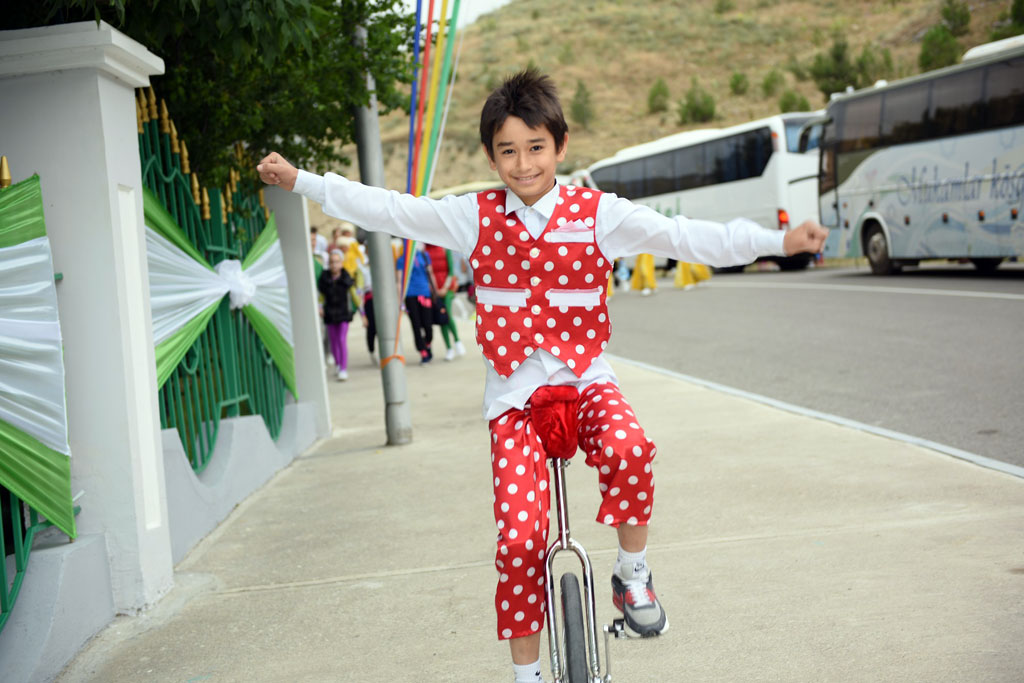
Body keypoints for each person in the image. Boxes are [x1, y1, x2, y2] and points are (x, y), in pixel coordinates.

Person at [258, 68, 827, 683]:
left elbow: (685, 236)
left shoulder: (598, 215)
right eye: (508, 151)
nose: (524, 165)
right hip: (514, 400)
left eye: (536, 148)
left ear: (559, 145)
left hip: (585, 381)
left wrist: (778, 239)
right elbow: (389, 209)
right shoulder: (472, 218)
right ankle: (525, 676)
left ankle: (631, 576)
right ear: (490, 154)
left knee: (631, 450)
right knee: (521, 543)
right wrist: (303, 182)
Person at [395, 242, 437, 364]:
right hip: (410, 295)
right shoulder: (401, 260)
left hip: (425, 293)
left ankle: (427, 342)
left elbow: (431, 273)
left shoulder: (424, 255)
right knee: (416, 324)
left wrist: (435, 290)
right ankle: (422, 351)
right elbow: (399, 281)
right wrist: (400, 301)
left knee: (428, 325)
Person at [425, 243, 467, 361]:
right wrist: (435, 290)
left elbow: (451, 271)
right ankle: (449, 348)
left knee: (447, 314)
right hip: (435, 291)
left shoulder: (445, 249)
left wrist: (445, 288)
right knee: (441, 318)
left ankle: (457, 340)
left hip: (447, 288)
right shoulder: (425, 251)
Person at [318, 249, 355, 381]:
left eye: (337, 262)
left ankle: (344, 368)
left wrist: (362, 313)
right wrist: (320, 307)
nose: (334, 265)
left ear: (341, 263)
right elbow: (321, 296)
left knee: (341, 340)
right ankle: (338, 365)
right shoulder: (324, 278)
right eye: (332, 262)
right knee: (333, 341)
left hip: (343, 313)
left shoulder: (346, 278)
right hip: (330, 313)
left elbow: (354, 296)